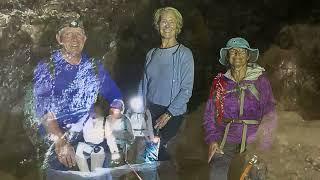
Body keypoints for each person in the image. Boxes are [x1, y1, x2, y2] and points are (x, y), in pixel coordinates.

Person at [33, 18, 124, 171]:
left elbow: (116, 97)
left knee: (103, 168)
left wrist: (112, 119)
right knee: (62, 170)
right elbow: (43, 109)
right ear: (59, 39)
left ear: (85, 39)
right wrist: (60, 141)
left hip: (87, 130)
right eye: (68, 34)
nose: (74, 39)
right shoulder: (47, 68)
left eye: (79, 34)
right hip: (57, 131)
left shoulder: (94, 67)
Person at [203, 37, 277, 180]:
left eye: (242, 52)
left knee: (257, 174)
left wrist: (264, 144)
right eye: (233, 52)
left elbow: (270, 114)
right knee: (216, 173)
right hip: (227, 137)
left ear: (248, 56)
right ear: (227, 57)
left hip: (253, 138)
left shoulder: (260, 80)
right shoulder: (220, 82)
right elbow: (209, 114)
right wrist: (212, 140)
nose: (237, 55)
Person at [139, 7, 194, 162]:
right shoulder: (151, 53)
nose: (167, 25)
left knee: (154, 152)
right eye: (164, 21)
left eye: (172, 22)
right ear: (158, 25)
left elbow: (186, 90)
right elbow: (143, 84)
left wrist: (169, 113)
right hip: (151, 110)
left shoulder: (184, 54)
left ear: (178, 26)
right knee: (147, 153)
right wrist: (141, 109)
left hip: (171, 113)